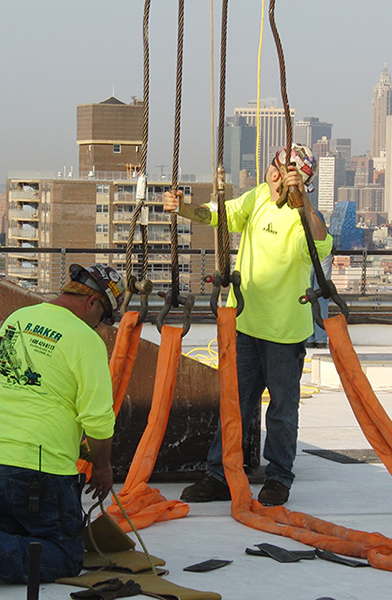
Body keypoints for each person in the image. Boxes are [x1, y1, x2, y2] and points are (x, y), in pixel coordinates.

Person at [0, 264, 123, 597]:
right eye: (102, 318)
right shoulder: (85, 340)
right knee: (65, 556)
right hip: (39, 469)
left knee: (14, 537)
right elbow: (97, 417)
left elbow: (18, 385)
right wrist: (102, 466)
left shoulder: (17, 318)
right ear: (93, 304)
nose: (99, 326)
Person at [168, 144, 332, 507]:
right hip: (245, 323)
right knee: (234, 404)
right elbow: (221, 215)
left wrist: (301, 200)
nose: (273, 176)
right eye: (274, 168)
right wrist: (183, 209)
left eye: (283, 173)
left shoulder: (302, 218)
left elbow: (320, 243)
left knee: (282, 409)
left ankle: (278, 477)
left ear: (300, 182)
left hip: (284, 332)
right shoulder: (257, 197)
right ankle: (220, 473)